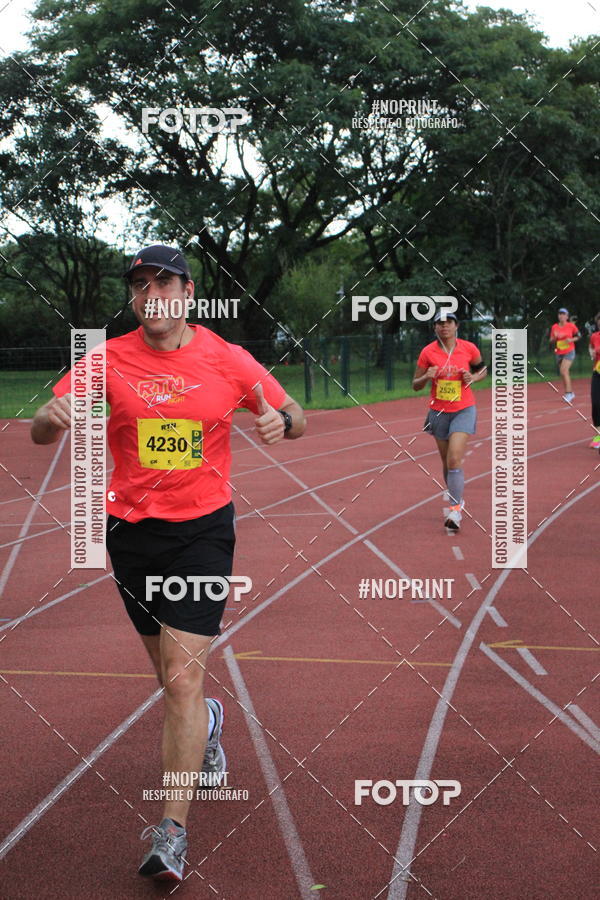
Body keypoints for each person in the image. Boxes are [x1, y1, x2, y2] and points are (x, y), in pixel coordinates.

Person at [30, 244, 306, 881]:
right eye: (140, 285)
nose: (151, 294)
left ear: (187, 293)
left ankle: (171, 832)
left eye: (163, 283)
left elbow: (295, 416)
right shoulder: (107, 359)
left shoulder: (226, 357)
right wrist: (50, 417)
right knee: (168, 674)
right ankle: (210, 721)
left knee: (181, 678)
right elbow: (43, 428)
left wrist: (281, 424)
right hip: (130, 533)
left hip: (203, 532)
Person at [412, 311, 487, 531]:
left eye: (448, 323)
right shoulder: (428, 352)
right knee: (446, 462)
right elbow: (415, 384)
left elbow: (482, 369)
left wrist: (473, 377)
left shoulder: (468, 348)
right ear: (434, 327)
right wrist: (427, 377)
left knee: (455, 458)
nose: (444, 327)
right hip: (438, 411)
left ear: (456, 326)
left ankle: (455, 510)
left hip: (464, 409)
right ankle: (457, 497)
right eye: (440, 323)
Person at [549, 308, 580, 403]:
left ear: (567, 316)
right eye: (560, 314)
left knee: (563, 371)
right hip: (559, 351)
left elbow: (578, 336)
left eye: (563, 314)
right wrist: (553, 338)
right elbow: (551, 339)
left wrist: (571, 340)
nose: (561, 316)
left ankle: (569, 393)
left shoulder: (571, 326)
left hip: (569, 351)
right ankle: (570, 393)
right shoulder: (554, 327)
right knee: (564, 373)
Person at [588, 312, 600, 449]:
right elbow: (591, 347)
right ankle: (598, 434)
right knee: (596, 403)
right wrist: (591, 353)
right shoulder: (595, 337)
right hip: (597, 373)